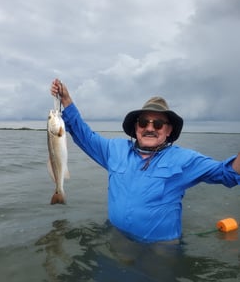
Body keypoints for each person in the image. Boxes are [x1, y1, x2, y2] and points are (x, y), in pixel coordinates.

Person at [50, 79, 240, 243]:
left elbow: (228, 173)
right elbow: (84, 135)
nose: (150, 128)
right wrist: (66, 100)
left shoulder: (185, 159)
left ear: (169, 130)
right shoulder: (115, 150)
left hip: (161, 249)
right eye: (143, 122)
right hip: (118, 239)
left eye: (158, 124)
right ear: (136, 127)